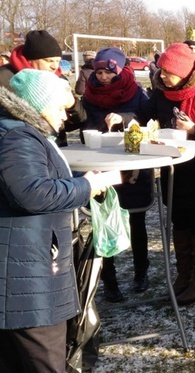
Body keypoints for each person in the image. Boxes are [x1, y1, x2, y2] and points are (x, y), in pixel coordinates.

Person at [104, 42, 195, 306]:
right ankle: (183, 277)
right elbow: (141, 116)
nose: (162, 76)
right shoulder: (160, 94)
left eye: (167, 72)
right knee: (178, 222)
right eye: (161, 71)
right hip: (172, 170)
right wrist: (121, 118)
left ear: (183, 71)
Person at [0, 69, 108, 373]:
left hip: (23, 272)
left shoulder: (22, 132)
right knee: (45, 361)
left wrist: (85, 182)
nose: (67, 116)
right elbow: (33, 193)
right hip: (27, 282)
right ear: (38, 104)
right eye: (61, 108)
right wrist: (86, 187)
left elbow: (36, 179)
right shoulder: (18, 136)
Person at [81, 47, 153, 301]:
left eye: (107, 72)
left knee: (137, 222)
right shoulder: (89, 93)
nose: (102, 77)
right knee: (103, 222)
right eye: (98, 71)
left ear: (120, 70)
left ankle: (141, 272)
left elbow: (147, 117)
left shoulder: (136, 91)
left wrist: (123, 117)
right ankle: (110, 281)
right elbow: (83, 121)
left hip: (132, 169)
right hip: (101, 165)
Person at [0, 30, 86, 146]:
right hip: (17, 147)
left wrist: (72, 105)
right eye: (49, 60)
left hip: (56, 147)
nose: (55, 66)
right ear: (30, 59)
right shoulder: (4, 77)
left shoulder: (58, 79)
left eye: (58, 61)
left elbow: (76, 123)